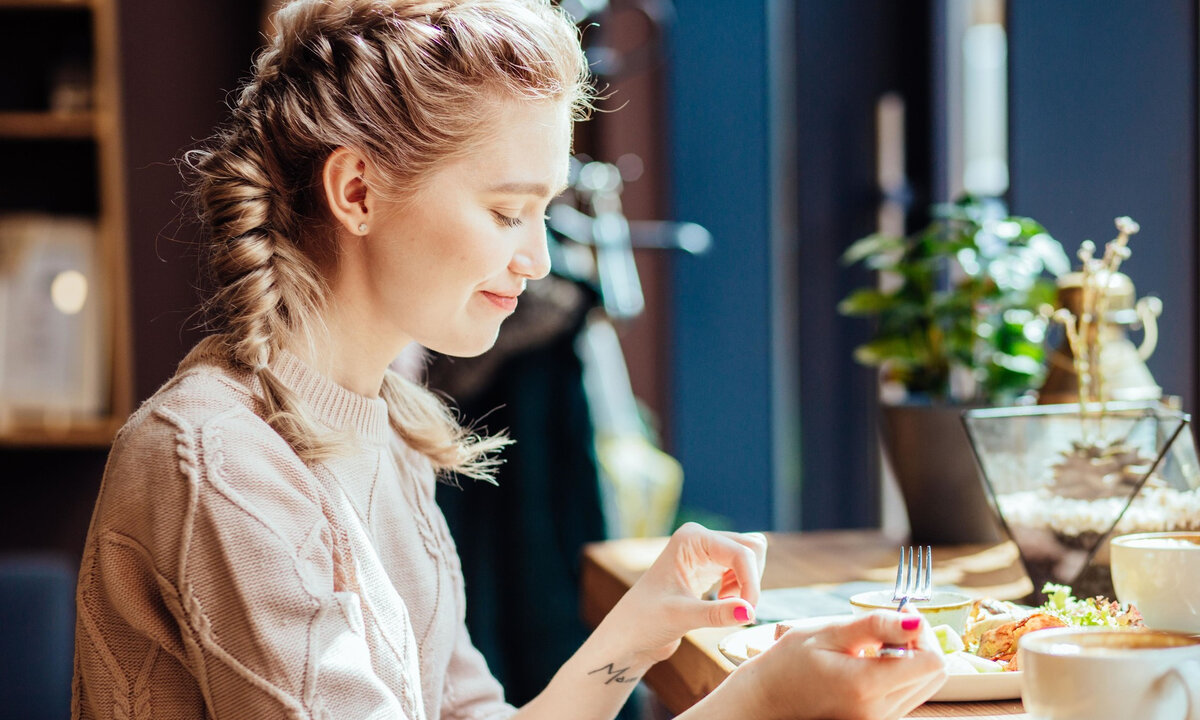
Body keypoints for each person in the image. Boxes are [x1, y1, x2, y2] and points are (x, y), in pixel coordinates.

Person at [72, 1, 947, 718]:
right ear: (358, 191)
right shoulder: (217, 462)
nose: (535, 259)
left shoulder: (394, 433)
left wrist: (634, 633)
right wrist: (758, 707)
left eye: (544, 213)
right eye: (505, 212)